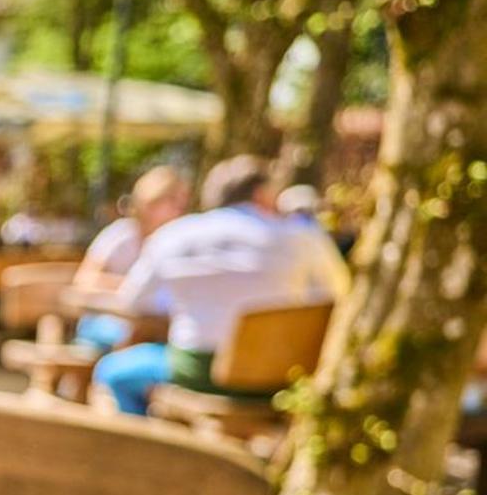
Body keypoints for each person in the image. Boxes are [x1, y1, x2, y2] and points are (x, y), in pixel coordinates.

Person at [90, 155, 350, 416]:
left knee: (112, 371)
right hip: (284, 376)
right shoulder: (304, 238)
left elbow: (133, 301)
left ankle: (143, 449)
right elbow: (341, 295)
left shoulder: (174, 236)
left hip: (196, 371)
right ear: (261, 194)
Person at [71, 166, 191, 351]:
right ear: (150, 202)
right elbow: (84, 279)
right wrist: (134, 285)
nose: (179, 210)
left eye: (182, 204)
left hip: (152, 326)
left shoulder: (177, 242)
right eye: (172, 202)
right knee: (132, 339)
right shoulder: (122, 234)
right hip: (105, 320)